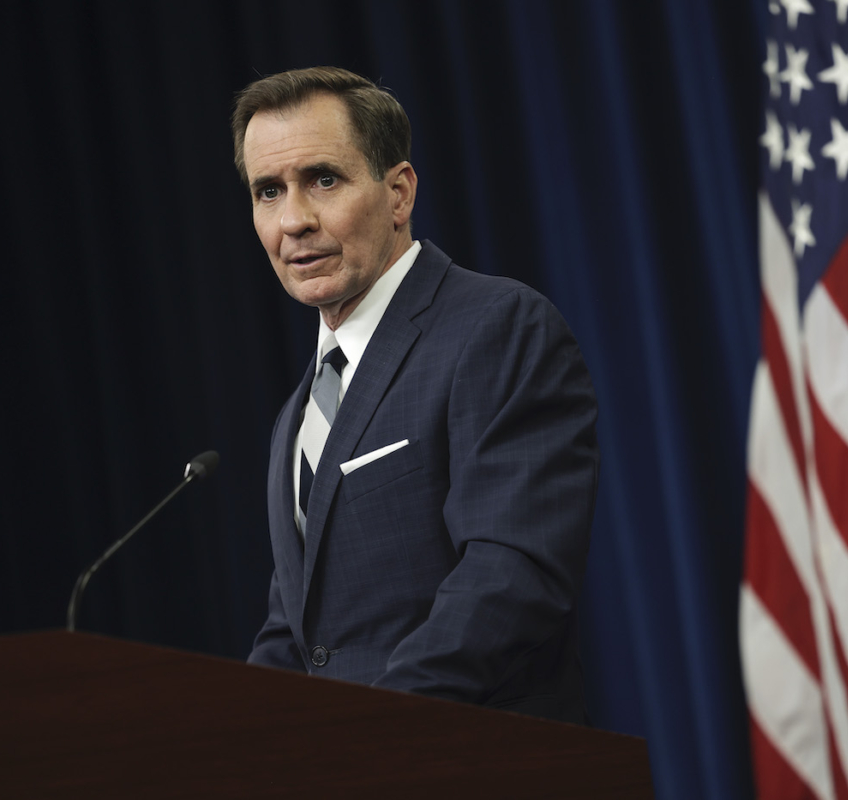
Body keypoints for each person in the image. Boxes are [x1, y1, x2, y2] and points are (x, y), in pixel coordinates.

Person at [231, 66, 599, 724]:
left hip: (468, 762)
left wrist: (375, 734)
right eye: (267, 191)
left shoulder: (494, 327)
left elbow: (510, 573)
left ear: (398, 193)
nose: (294, 220)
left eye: (323, 179)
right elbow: (295, 636)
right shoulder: (297, 416)